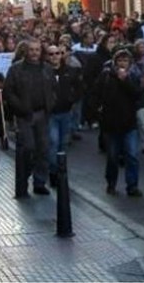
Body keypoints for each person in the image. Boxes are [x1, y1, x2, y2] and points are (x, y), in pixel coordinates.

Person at [3, 39, 57, 197]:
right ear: (26, 51)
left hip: (43, 114)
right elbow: (8, 91)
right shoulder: (16, 69)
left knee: (43, 149)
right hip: (25, 115)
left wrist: (51, 103)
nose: (34, 53)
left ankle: (39, 182)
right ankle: (23, 179)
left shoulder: (47, 69)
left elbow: (54, 88)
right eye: (31, 50)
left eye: (37, 50)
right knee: (28, 148)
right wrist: (20, 107)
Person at [91, 49, 143, 197]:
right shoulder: (106, 75)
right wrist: (98, 111)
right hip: (111, 123)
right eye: (120, 60)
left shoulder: (133, 76)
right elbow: (95, 93)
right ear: (115, 62)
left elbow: (137, 94)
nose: (122, 64)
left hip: (129, 123)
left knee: (132, 155)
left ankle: (132, 186)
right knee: (113, 157)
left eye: (125, 61)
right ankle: (111, 183)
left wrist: (125, 80)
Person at [46, 45, 83, 187]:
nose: (55, 56)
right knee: (53, 142)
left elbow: (79, 87)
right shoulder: (45, 71)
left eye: (58, 53)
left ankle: (61, 171)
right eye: (51, 54)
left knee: (63, 143)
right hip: (51, 114)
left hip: (66, 112)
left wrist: (71, 99)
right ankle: (54, 172)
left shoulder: (70, 71)